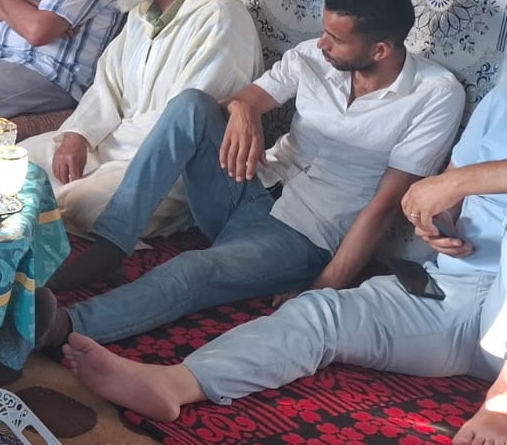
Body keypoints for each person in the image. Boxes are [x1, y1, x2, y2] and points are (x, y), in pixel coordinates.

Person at [37, 0, 465, 353]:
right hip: (249, 188)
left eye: (336, 39)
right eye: (324, 31)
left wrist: (322, 290)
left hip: (304, 236)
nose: (322, 43)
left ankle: (65, 325)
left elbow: (385, 206)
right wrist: (244, 109)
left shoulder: (435, 94)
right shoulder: (312, 58)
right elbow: (241, 100)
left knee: (193, 268)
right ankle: (111, 246)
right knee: (190, 105)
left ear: (380, 49)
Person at [61, 82, 507, 445]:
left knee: (200, 270)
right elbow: (452, 186)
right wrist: (438, 220)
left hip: (495, 309)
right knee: (320, 313)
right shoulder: (500, 94)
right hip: (454, 292)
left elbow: (448, 183)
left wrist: (457, 184)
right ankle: (177, 383)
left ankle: (500, 407)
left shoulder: (433, 90)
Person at [19, 0, 263, 239]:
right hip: (109, 143)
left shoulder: (220, 20)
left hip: (167, 167)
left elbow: (183, 123)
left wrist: (108, 146)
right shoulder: (144, 7)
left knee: (75, 205)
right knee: (17, 167)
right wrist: (79, 134)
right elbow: (108, 80)